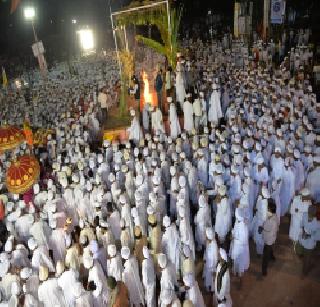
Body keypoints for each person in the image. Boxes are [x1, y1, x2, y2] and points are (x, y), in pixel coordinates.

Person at [261, 201, 278, 276]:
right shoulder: (274, 216)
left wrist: (261, 227)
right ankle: (272, 256)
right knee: (270, 248)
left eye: (268, 209)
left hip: (268, 239)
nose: (266, 210)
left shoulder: (272, 221)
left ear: (270, 210)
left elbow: (266, 228)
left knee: (265, 255)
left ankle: (264, 270)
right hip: (271, 238)